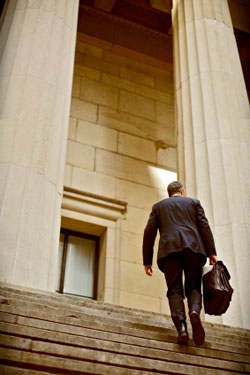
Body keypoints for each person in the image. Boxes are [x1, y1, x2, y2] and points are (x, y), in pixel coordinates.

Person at [142, 181, 218, 346]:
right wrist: (212, 252)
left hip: (170, 252)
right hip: (194, 248)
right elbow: (204, 227)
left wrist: (146, 260)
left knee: (174, 290)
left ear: (169, 193)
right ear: (182, 191)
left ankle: (182, 328)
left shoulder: (158, 207)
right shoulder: (193, 203)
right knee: (194, 287)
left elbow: (149, 233)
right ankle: (194, 311)